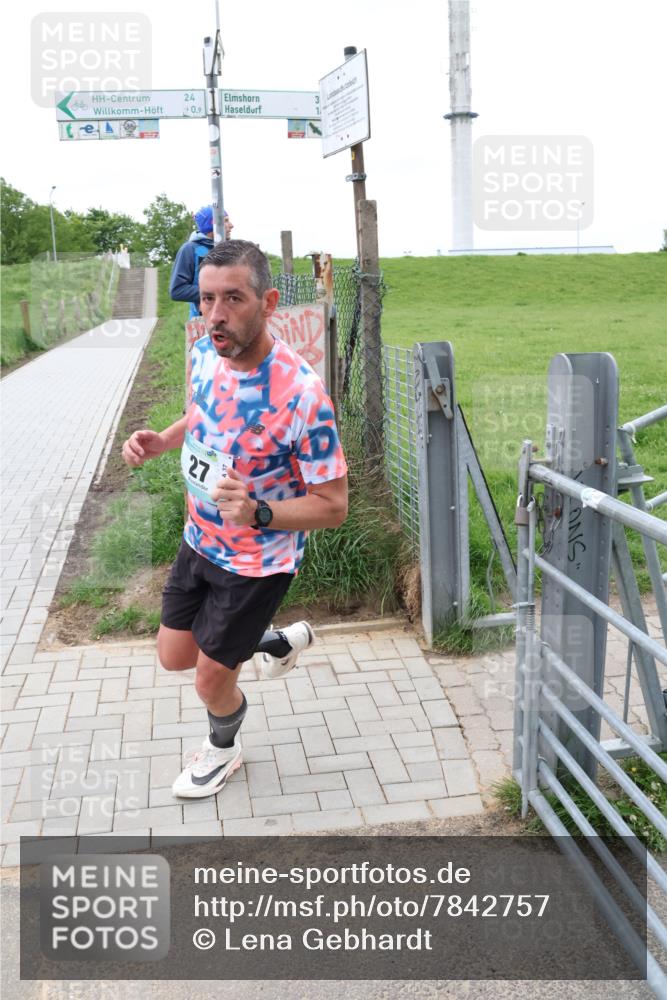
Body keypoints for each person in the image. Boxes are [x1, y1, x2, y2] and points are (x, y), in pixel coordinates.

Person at [122, 239, 348, 800]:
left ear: (268, 302)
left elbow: (333, 504)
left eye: (233, 299)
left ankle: (222, 749)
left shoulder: (301, 396)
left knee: (208, 680)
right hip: (198, 538)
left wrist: (259, 511)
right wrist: (162, 441)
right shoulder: (205, 350)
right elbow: (201, 409)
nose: (216, 315)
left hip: (256, 562)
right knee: (174, 656)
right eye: (206, 300)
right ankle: (268, 643)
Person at [169, 206, 234, 318]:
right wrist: (216, 292)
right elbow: (177, 291)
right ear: (212, 224)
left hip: (232, 319)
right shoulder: (190, 249)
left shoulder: (231, 249)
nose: (232, 225)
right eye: (226, 221)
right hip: (203, 324)